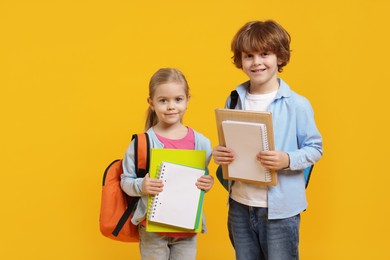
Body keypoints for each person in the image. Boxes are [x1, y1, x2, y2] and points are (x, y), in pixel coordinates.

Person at [212, 20, 323, 260]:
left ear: (280, 57)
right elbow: (229, 146)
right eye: (249, 55)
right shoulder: (233, 99)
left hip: (281, 210)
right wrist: (220, 154)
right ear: (240, 60)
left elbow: (315, 149)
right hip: (239, 205)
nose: (257, 62)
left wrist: (286, 159)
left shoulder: (297, 104)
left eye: (265, 54)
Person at [120, 68, 214, 260]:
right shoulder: (142, 143)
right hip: (152, 230)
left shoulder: (201, 143)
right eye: (163, 100)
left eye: (178, 99)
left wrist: (208, 182)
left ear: (187, 100)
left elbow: (201, 181)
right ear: (151, 103)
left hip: (186, 229)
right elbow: (125, 182)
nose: (171, 106)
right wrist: (142, 185)